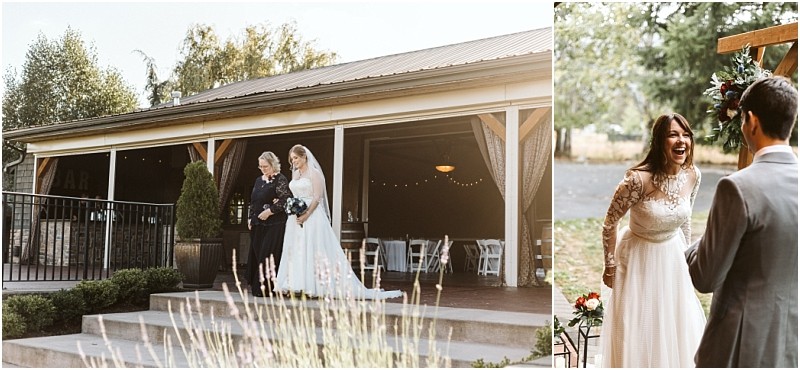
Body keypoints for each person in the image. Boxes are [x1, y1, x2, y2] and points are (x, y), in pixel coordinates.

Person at [685, 76, 798, 367]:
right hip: (791, 345)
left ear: (751, 121)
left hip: (738, 346)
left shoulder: (737, 187)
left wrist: (693, 247)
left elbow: (705, 276)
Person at [599, 113, 706, 367]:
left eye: (685, 135)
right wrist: (610, 265)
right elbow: (609, 223)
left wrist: (687, 257)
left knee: (673, 325)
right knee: (636, 327)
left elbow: (686, 218)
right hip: (637, 258)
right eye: (673, 135)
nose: (681, 141)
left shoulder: (693, 175)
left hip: (672, 256)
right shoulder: (637, 180)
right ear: (659, 142)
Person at [274, 144, 402, 300]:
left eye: (296, 158)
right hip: (295, 219)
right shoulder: (295, 175)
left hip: (312, 216)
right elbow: (294, 194)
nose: (293, 161)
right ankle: (296, 284)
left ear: (304, 157)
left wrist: (307, 214)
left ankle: (315, 285)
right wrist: (291, 207)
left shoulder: (314, 173)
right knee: (297, 250)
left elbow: (317, 197)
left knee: (313, 249)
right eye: (292, 159)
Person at [246, 151, 291, 297]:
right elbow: (253, 201)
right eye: (260, 167)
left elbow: (285, 200)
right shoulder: (259, 180)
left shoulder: (280, 179)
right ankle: (257, 286)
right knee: (258, 254)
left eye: (265, 166)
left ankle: (266, 289)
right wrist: (250, 218)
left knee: (268, 254)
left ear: (273, 164)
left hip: (274, 224)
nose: (262, 169)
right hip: (257, 224)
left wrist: (270, 211)